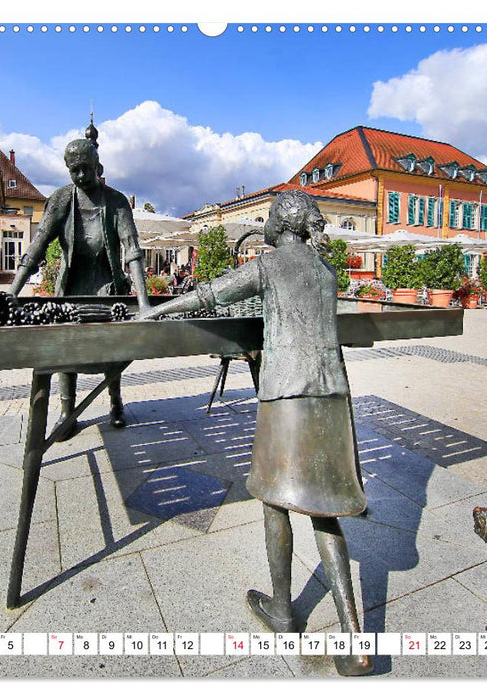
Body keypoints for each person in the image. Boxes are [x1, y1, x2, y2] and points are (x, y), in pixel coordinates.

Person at [138, 190, 372, 676]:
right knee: (326, 511)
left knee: (274, 497)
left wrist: (154, 312)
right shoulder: (325, 270)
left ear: (279, 223)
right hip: (332, 393)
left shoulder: (269, 265)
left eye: (267, 216)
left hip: (286, 393)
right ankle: (356, 638)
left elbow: (210, 295)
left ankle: (285, 610)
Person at [10, 138, 150, 435]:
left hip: (108, 285)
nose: (82, 176)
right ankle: (67, 411)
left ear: (99, 167)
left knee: (112, 347)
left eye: (87, 168)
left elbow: (132, 249)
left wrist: (145, 302)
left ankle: (115, 402)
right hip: (72, 286)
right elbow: (37, 246)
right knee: (67, 350)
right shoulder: (61, 199)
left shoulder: (116, 201)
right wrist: (12, 293)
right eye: (75, 170)